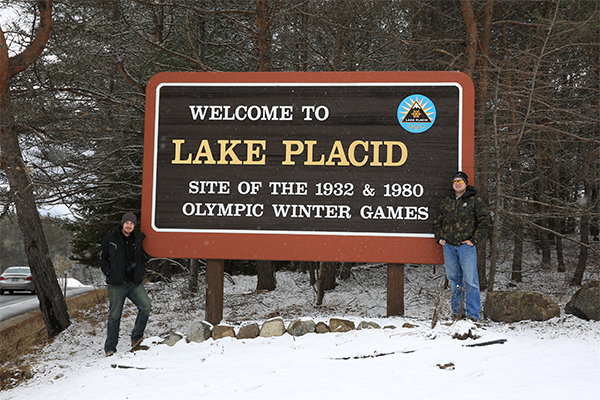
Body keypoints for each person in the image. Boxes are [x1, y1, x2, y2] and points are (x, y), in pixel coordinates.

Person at [433, 172, 491, 321]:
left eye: (460, 181)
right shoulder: (447, 201)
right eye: (455, 181)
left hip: (466, 247)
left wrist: (474, 240)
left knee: (471, 280)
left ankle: (473, 315)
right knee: (454, 280)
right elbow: (438, 221)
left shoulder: (474, 200)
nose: (457, 183)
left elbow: (485, 220)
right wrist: (440, 238)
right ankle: (457, 313)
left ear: (466, 183)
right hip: (449, 247)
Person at [99, 212, 151, 357]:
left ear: (134, 225)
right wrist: (110, 273)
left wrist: (141, 270)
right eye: (127, 223)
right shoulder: (111, 239)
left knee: (146, 306)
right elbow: (102, 258)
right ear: (123, 223)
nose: (129, 226)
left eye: (132, 223)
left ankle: (136, 338)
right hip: (116, 284)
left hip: (133, 283)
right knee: (115, 316)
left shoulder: (138, 239)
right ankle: (110, 348)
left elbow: (144, 257)